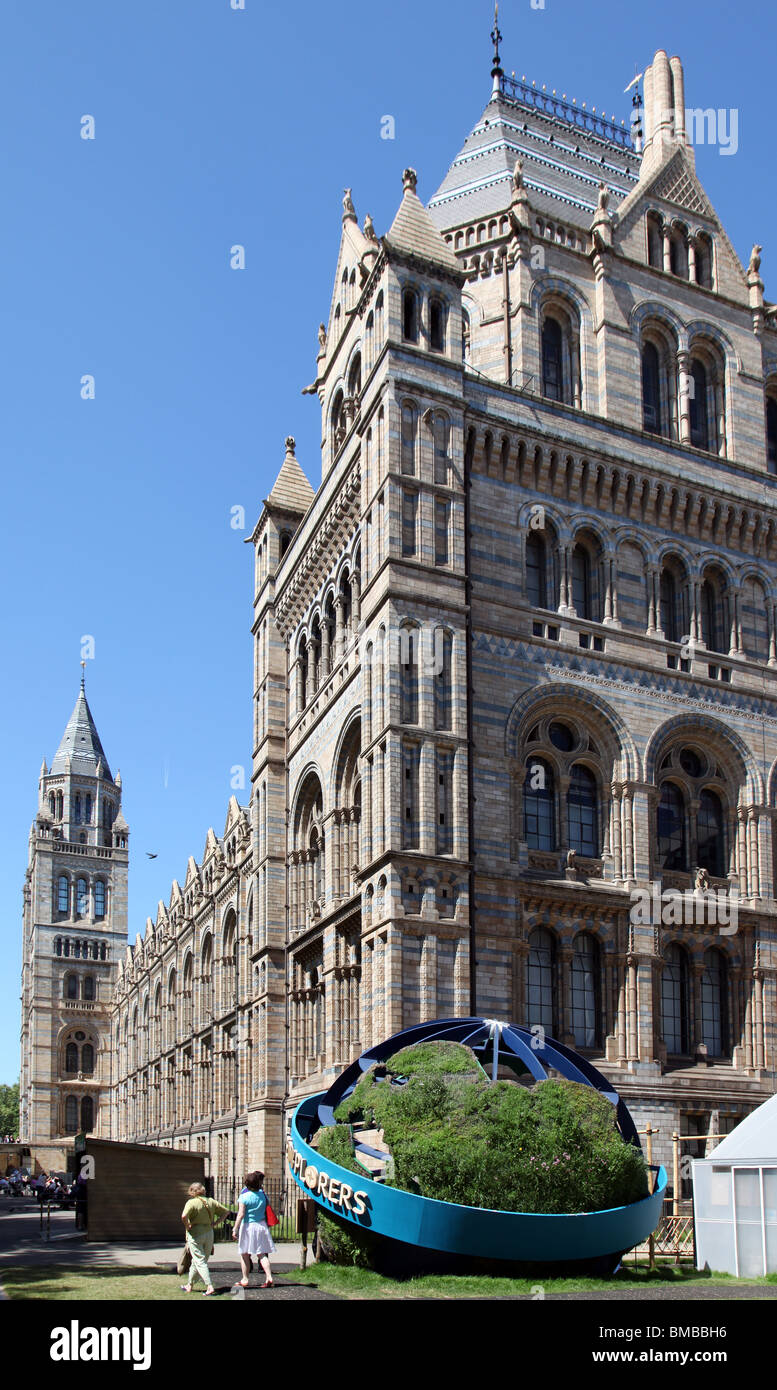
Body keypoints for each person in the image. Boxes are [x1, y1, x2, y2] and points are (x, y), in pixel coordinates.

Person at [180, 1183, 230, 1296]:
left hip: (195, 1233)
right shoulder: (211, 1201)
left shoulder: (191, 1202)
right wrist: (216, 1223)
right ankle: (190, 1285)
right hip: (209, 1233)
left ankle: (209, 1286)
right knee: (198, 1261)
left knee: (199, 1260)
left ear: (192, 1191)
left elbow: (184, 1216)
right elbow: (226, 1212)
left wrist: (187, 1226)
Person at [231, 1170, 275, 1289]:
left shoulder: (244, 1197)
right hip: (261, 1225)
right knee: (261, 1254)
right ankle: (269, 1277)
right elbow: (267, 1207)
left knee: (244, 1253)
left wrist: (235, 1229)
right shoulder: (263, 1195)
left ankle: (245, 1279)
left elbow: (240, 1214)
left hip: (248, 1226)